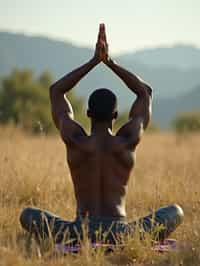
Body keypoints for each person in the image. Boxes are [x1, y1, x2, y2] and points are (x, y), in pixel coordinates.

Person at [20, 24, 183, 245]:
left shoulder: (75, 140)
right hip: (122, 234)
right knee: (176, 211)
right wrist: (110, 62)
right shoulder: (127, 141)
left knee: (28, 215)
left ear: (88, 113)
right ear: (115, 115)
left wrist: (93, 62)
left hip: (79, 232)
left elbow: (56, 91)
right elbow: (145, 93)